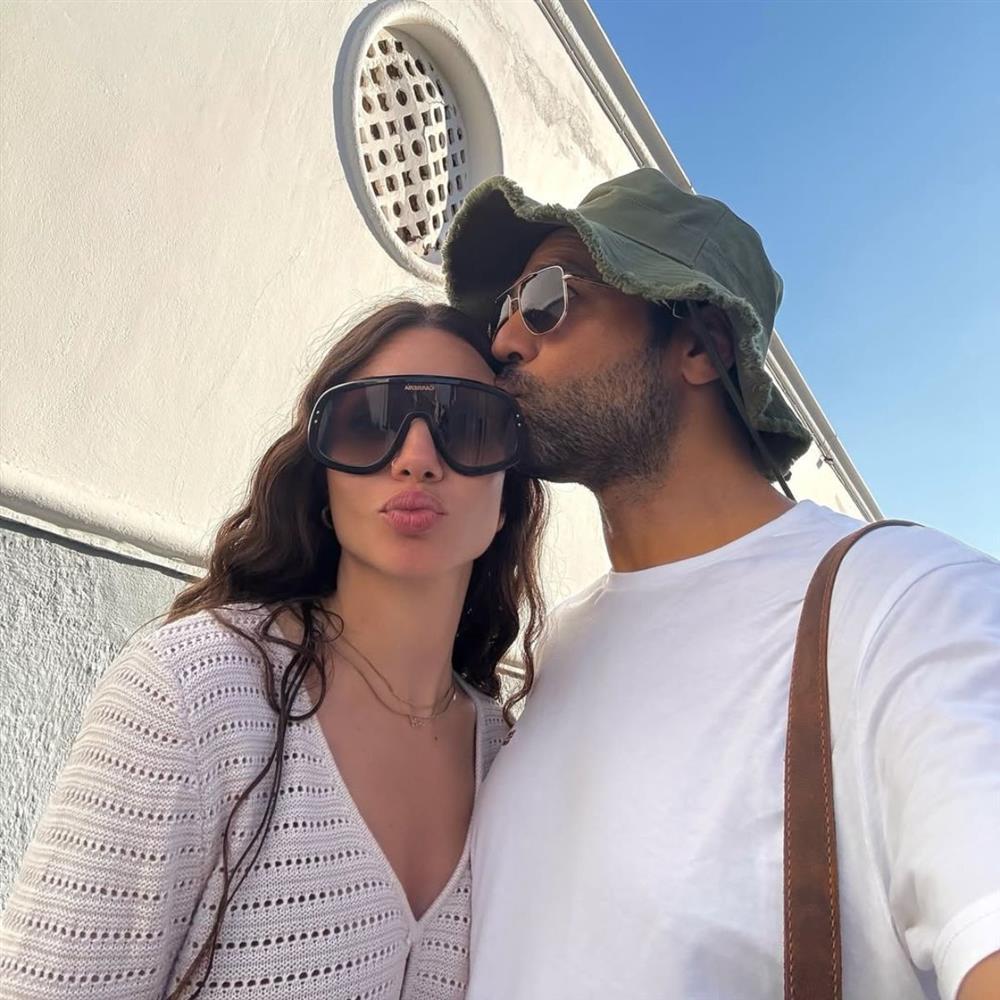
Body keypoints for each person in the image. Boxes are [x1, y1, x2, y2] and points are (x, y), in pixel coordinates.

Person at [441, 168, 1000, 1000]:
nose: (507, 342)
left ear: (701, 345)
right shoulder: (562, 643)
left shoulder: (906, 606)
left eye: (550, 299)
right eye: (505, 313)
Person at [0, 301, 547, 1000]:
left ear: (507, 501)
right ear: (323, 480)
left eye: (467, 425)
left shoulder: (507, 758)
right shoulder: (193, 690)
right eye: (368, 424)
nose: (416, 460)